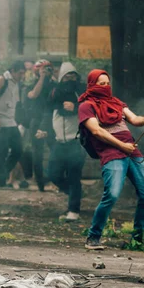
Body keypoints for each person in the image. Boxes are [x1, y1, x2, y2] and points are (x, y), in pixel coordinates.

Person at [79, 69, 144, 250]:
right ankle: (93, 237)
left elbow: (133, 119)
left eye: (107, 84)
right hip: (111, 152)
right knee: (112, 194)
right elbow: (97, 131)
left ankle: (138, 238)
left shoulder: (116, 103)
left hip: (132, 151)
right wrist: (121, 146)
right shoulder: (86, 106)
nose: (105, 87)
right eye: (101, 84)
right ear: (92, 85)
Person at [47, 62, 85, 221]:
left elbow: (92, 108)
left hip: (76, 142)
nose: (70, 79)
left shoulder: (82, 91)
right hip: (59, 141)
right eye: (66, 76)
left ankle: (73, 210)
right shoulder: (55, 92)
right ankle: (74, 193)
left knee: (74, 176)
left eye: (73, 75)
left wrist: (76, 107)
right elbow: (49, 109)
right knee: (52, 174)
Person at [0, 60, 25, 188]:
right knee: (2, 151)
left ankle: (0, 175)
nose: (22, 76)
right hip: (0, 122)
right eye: (20, 73)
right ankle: (0, 181)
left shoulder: (16, 84)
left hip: (11, 121)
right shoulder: (2, 79)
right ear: (13, 71)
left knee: (18, 149)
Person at [26, 59, 56, 191]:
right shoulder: (32, 84)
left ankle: (54, 178)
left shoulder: (54, 84)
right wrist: (42, 78)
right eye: (43, 69)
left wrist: (51, 77)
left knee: (55, 149)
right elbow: (33, 94)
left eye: (48, 69)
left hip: (51, 121)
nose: (46, 71)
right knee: (37, 153)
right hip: (36, 121)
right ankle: (40, 183)